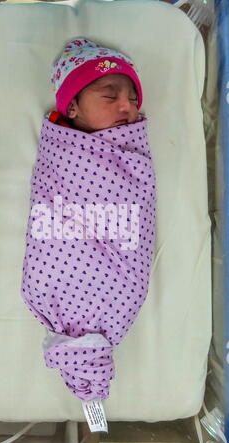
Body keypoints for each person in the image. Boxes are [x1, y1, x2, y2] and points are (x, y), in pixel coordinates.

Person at [21, 37, 156, 403]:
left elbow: (137, 197)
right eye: (110, 96)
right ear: (74, 107)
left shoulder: (130, 149)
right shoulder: (61, 150)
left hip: (111, 266)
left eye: (132, 97)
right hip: (77, 275)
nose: (126, 105)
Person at [48, 37, 143, 132]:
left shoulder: (136, 137)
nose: (126, 106)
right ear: (71, 107)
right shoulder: (59, 141)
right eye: (110, 96)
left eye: (133, 99)